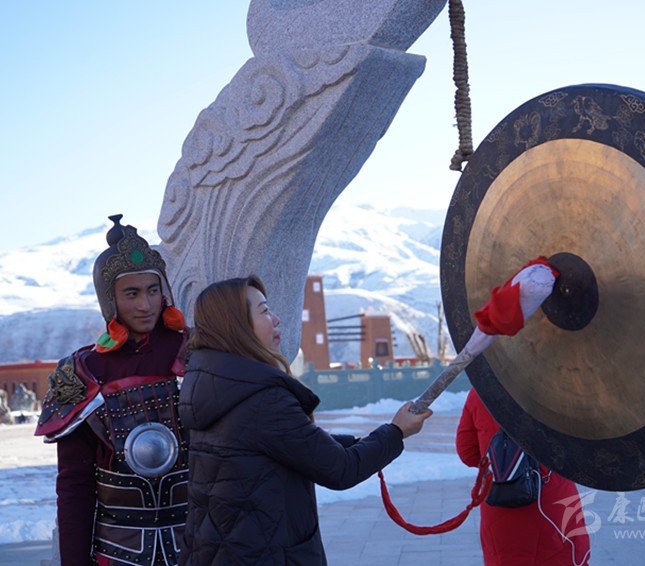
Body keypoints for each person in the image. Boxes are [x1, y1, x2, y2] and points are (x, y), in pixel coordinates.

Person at [178, 275, 432, 565]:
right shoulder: (261, 399)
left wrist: (357, 442)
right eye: (264, 311)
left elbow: (284, 444)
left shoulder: (210, 384)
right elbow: (341, 469)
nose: (276, 320)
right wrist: (396, 432)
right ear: (236, 325)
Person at [35, 214, 190, 565]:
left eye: (153, 290)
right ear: (109, 298)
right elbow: (75, 485)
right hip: (118, 552)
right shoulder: (83, 372)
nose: (145, 304)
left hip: (196, 546)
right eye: (131, 293)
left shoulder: (195, 352)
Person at [456, 388, 591, 566]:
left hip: (499, 497)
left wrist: (504, 463)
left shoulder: (480, 390)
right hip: (553, 499)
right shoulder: (557, 388)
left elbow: (467, 453)